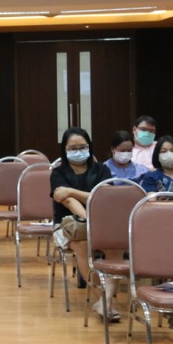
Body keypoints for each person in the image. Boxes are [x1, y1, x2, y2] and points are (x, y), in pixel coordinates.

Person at [50, 128, 114, 320]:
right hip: (68, 225)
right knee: (82, 244)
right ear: (65, 150)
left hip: (101, 224)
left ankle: (106, 301)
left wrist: (72, 191)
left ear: (89, 147)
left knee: (116, 248)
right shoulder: (58, 173)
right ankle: (101, 299)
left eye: (82, 147)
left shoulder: (102, 170)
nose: (78, 151)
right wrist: (87, 218)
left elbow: (104, 196)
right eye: (73, 148)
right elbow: (68, 201)